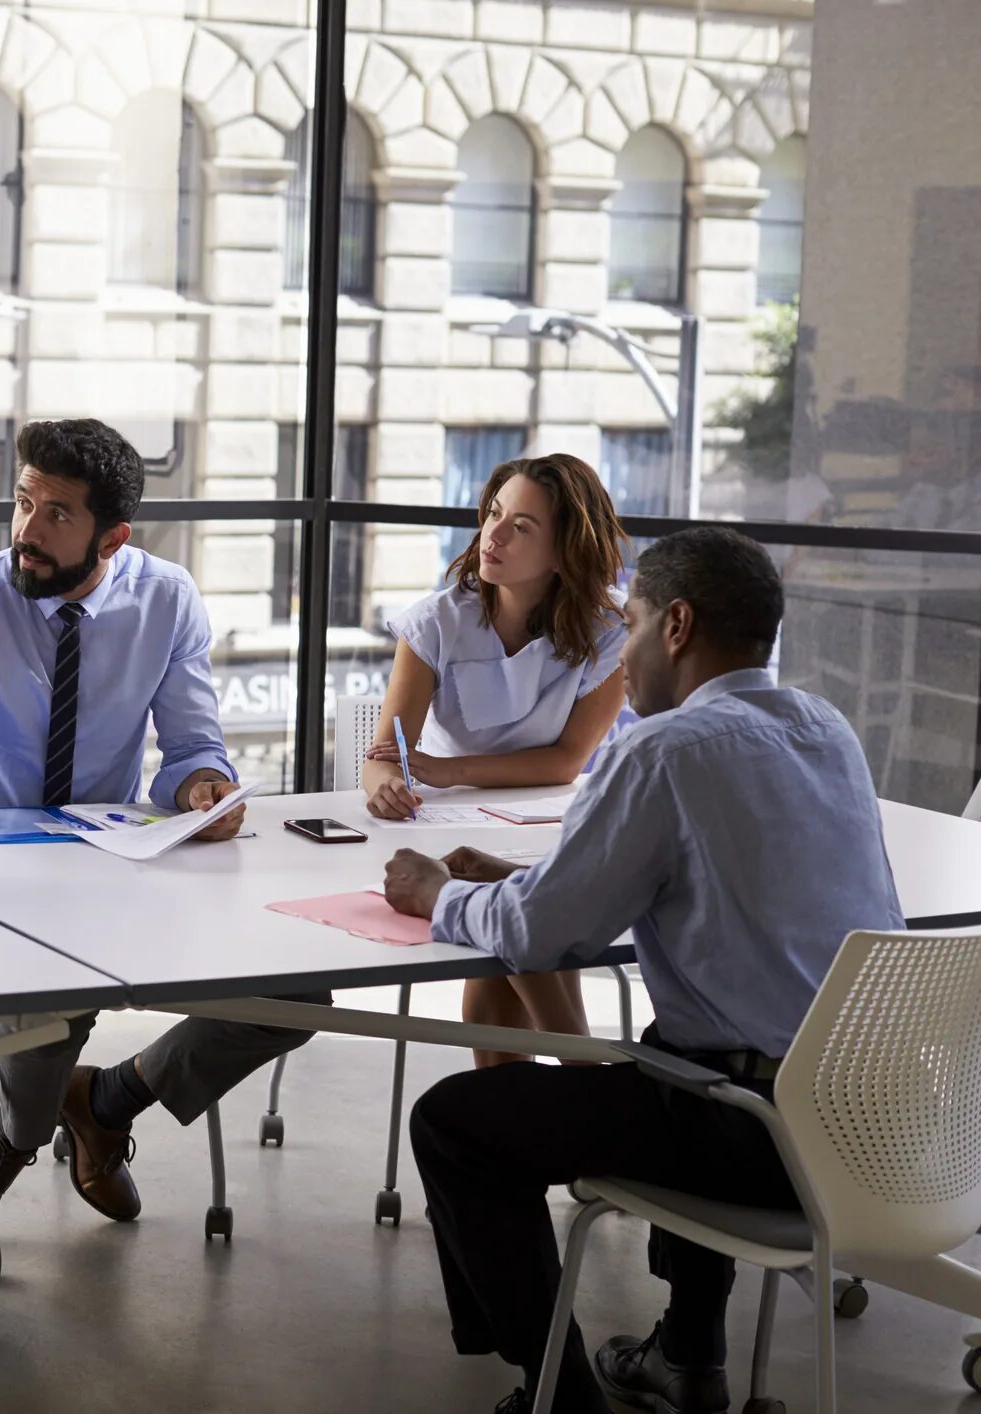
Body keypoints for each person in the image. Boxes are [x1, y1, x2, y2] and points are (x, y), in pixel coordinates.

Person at [380, 526, 903, 1414]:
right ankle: (687, 1360)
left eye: (630, 623)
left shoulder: (662, 749)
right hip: (874, 1115)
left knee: (454, 1124)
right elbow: (728, 882)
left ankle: (560, 1395)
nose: (619, 653)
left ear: (677, 625)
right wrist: (549, 876)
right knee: (679, 1050)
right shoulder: (824, 728)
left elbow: (538, 938)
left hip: (759, 1135)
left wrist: (434, 895)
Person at [0, 417, 327, 1244]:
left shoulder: (165, 598)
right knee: (49, 995)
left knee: (297, 994)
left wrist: (204, 787)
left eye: (56, 513)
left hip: (112, 855)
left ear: (114, 535)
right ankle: (11, 1146)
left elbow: (193, 749)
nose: (27, 529)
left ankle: (106, 1100)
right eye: (23, 502)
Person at [362, 453, 627, 1066]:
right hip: (452, 828)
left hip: (549, 824)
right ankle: (574, 1085)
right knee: (509, 940)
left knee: (509, 932)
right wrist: (384, 785)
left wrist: (446, 771)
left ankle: (549, 1099)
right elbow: (384, 757)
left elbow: (565, 762)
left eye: (522, 526)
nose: (494, 535)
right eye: (494, 515)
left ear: (565, 551)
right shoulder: (437, 622)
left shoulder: (610, 630)